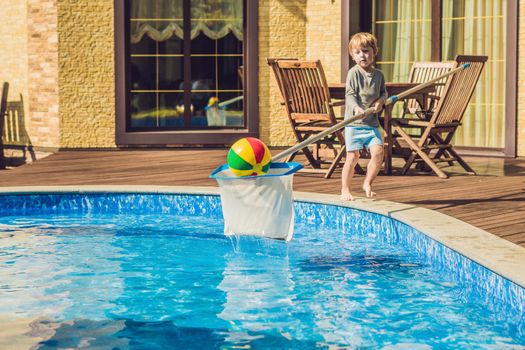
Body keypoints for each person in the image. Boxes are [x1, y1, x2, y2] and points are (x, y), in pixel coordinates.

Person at [341, 32, 387, 201]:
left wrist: (380, 102)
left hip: (371, 124)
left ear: (374, 52)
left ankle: (367, 182)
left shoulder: (379, 75)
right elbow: (350, 95)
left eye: (366, 51)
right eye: (358, 52)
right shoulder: (353, 73)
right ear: (352, 55)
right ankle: (345, 189)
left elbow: (384, 93)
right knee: (352, 157)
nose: (363, 55)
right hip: (354, 124)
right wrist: (356, 108)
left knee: (378, 152)